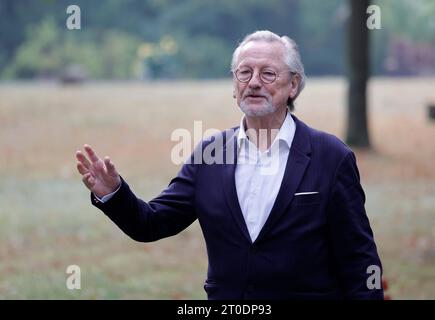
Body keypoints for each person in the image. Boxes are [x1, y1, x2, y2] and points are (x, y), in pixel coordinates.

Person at [75, 30, 384, 300]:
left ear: (293, 85)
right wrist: (113, 193)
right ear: (234, 85)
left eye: (267, 74)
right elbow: (152, 224)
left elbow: (358, 259)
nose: (253, 83)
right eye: (244, 72)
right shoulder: (210, 154)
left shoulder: (331, 156)